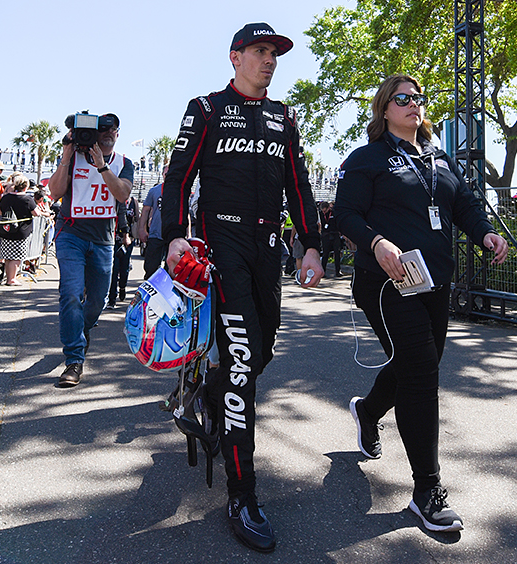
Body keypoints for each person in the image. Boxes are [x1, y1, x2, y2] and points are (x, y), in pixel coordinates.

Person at [161, 23, 322, 553]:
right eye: (259, 51)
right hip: (220, 245)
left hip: (266, 248)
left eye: (274, 53)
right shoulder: (206, 108)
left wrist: (312, 244)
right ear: (235, 57)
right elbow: (179, 174)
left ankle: (208, 393)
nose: (269, 60)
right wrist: (174, 236)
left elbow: (299, 183)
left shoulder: (284, 117)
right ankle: (242, 493)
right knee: (239, 365)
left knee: (260, 351)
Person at [335, 74, 508, 534]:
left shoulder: (440, 159)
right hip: (386, 282)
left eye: (418, 99)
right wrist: (376, 243)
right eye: (403, 99)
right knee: (421, 371)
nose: (414, 104)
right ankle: (426, 491)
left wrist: (484, 232)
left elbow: (465, 205)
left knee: (419, 364)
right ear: (384, 109)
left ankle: (368, 411)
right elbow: (345, 214)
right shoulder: (367, 159)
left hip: (434, 283)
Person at [48, 112, 133, 388]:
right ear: (94, 133)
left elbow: (122, 194)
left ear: (118, 134)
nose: (108, 133)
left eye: (113, 129)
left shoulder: (123, 163)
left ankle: (80, 330)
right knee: (71, 293)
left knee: (97, 300)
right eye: (102, 129)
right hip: (71, 233)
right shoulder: (73, 158)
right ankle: (74, 359)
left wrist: (101, 167)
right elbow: (55, 192)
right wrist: (65, 155)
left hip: (103, 239)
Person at [0, 176, 41, 285]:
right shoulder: (27, 199)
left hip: (6, 230)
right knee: (16, 257)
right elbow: (36, 213)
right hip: (21, 231)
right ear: (25, 187)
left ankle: (8, 277)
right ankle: (11, 279)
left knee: (7, 256)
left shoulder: (6, 198)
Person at [137, 165, 166, 279]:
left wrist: (187, 234)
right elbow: (145, 210)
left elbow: (186, 213)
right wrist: (142, 229)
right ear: (163, 174)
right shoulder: (154, 190)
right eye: (165, 173)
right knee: (151, 268)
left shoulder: (179, 190)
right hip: (155, 235)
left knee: (172, 270)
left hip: (172, 235)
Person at [107, 194, 136, 307]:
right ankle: (112, 298)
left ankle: (122, 287)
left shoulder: (133, 202)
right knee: (113, 269)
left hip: (127, 240)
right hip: (112, 238)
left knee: (124, 268)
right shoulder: (115, 198)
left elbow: (135, 219)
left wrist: (128, 235)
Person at [320, 201, 342, 276]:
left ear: (328, 208)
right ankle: (323, 271)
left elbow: (338, 222)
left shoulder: (334, 213)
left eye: (325, 210)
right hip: (326, 235)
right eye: (323, 211)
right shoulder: (320, 214)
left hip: (335, 234)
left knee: (337, 252)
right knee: (325, 253)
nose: (324, 212)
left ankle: (338, 271)